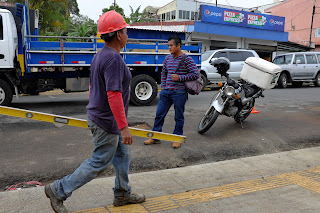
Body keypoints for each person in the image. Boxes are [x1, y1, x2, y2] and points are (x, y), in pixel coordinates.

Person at [44, 11, 145, 213]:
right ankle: (58, 190)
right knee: (99, 161)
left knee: (123, 155)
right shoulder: (113, 60)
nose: (127, 35)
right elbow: (114, 94)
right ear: (118, 34)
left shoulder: (101, 55)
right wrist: (124, 127)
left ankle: (122, 193)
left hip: (105, 118)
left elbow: (93, 87)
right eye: (126, 31)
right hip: (107, 122)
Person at [144, 35, 199, 149]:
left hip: (179, 93)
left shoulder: (186, 59)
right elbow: (164, 72)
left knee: (178, 116)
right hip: (166, 92)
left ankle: (177, 138)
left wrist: (180, 78)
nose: (169, 48)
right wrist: (163, 86)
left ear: (179, 46)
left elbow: (195, 74)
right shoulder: (168, 58)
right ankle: (155, 137)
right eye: (168, 45)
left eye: (171, 45)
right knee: (159, 115)